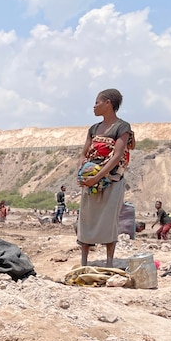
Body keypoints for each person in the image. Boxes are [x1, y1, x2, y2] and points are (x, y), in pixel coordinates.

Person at [76, 88, 134, 268]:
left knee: (109, 221)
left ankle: (109, 263)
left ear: (108, 103)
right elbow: (84, 154)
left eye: (97, 102)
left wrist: (98, 177)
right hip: (90, 181)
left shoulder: (122, 127)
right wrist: (81, 173)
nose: (94, 106)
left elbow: (117, 155)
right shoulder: (93, 129)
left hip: (112, 180)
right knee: (86, 219)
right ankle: (84, 262)